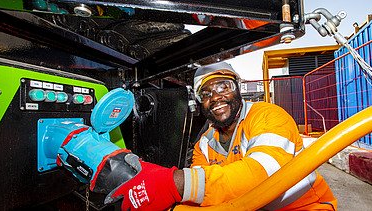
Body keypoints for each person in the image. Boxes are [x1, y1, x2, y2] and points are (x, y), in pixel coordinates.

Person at [109, 62, 337, 211]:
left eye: (223, 87)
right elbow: (202, 192)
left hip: (306, 207)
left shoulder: (268, 115)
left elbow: (265, 174)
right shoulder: (205, 144)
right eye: (206, 93)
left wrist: (172, 183)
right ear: (200, 103)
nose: (215, 97)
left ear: (238, 89)